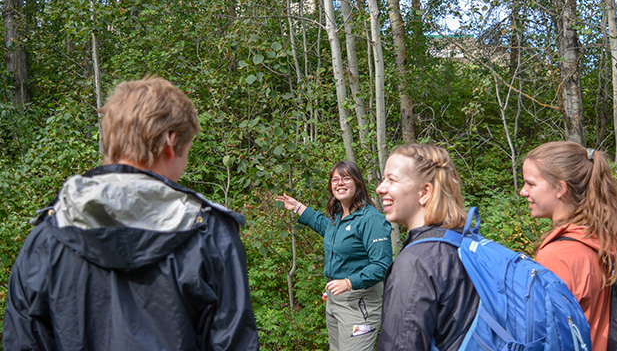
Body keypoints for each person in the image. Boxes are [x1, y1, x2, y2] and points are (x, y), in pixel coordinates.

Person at [3, 77, 259, 350]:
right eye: (188, 151)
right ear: (170, 142)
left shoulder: (47, 237)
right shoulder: (208, 234)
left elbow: (23, 342)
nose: (185, 163)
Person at [520, 141, 617, 351]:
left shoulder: (559, 255)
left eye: (531, 184)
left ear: (560, 188)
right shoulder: (603, 238)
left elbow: (545, 335)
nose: (523, 191)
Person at [276, 161, 392, 351]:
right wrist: (298, 207)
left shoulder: (371, 219)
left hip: (360, 304)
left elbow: (382, 265)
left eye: (346, 178)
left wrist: (348, 282)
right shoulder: (338, 216)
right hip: (335, 300)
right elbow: (324, 226)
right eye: (335, 180)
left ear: (358, 184)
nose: (340, 183)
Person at [375, 143, 479, 350]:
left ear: (424, 191)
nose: (380, 188)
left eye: (391, 180)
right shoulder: (465, 243)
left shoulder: (416, 262)